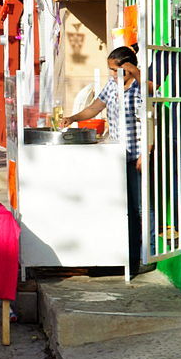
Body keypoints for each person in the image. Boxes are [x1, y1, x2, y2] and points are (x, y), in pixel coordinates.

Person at [62, 46, 144, 273]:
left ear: (126, 67)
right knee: (119, 208)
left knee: (137, 209)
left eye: (113, 69)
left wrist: (136, 73)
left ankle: (140, 257)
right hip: (116, 156)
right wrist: (73, 118)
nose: (110, 74)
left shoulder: (140, 86)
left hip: (136, 156)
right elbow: (95, 108)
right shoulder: (112, 86)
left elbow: (152, 98)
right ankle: (120, 254)